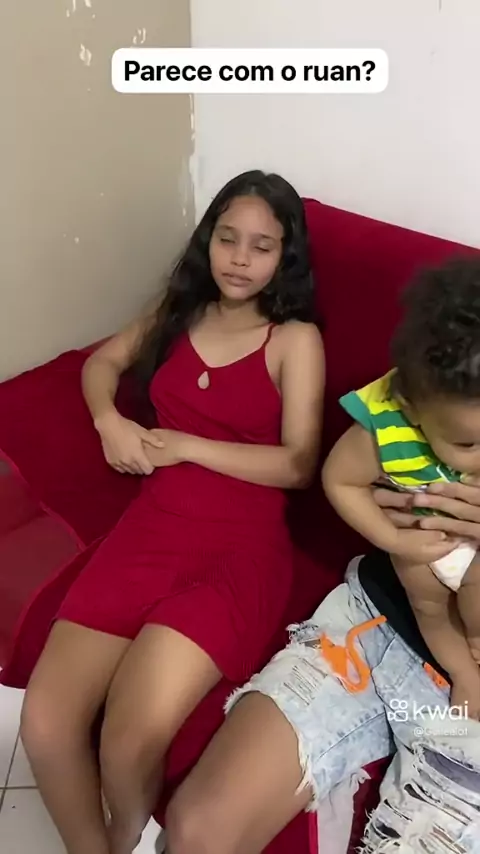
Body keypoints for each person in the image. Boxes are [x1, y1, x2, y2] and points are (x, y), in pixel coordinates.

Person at [18, 170, 325, 854]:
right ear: (207, 240)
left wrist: (186, 444)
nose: (239, 259)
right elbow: (100, 365)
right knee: (45, 721)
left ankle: (126, 831)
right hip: (151, 528)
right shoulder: (179, 310)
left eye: (262, 246)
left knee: (127, 740)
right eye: (226, 239)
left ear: (285, 257)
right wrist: (109, 421)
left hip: (238, 546)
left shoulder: (293, 339)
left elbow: (299, 465)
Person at [163, 480, 480, 854]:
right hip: (375, 621)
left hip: (469, 711)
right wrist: (386, 498)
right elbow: (350, 475)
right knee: (199, 832)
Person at [322, 259, 480, 717]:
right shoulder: (384, 426)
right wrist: (392, 538)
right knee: (429, 609)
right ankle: (464, 673)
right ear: (412, 410)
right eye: (467, 443)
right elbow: (340, 480)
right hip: (421, 548)